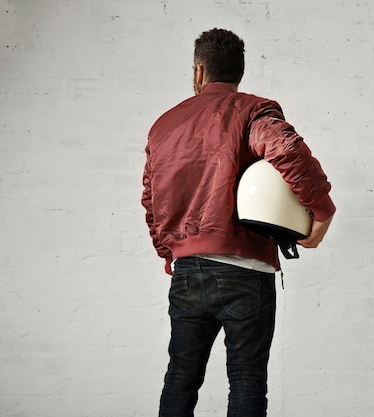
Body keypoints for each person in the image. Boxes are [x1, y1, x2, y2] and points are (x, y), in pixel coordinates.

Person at [141, 28, 336, 417]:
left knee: (180, 375)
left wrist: (169, 250)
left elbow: (151, 195)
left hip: (188, 270)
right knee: (247, 379)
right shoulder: (252, 111)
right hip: (245, 269)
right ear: (239, 73)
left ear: (199, 72)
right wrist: (322, 209)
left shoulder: (163, 126)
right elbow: (286, 149)